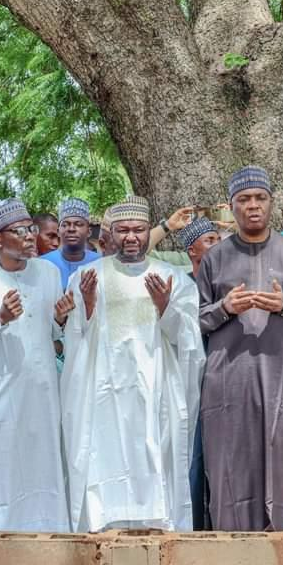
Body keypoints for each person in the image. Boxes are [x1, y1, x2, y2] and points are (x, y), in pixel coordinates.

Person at [61, 195, 204, 532]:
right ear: (109, 235)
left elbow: (187, 340)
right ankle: (103, 521)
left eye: (138, 230)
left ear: (147, 232)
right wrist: (89, 304)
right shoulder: (87, 276)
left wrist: (166, 306)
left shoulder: (173, 278)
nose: (131, 237)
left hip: (155, 387)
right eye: (122, 230)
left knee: (153, 453)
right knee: (104, 453)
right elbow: (75, 338)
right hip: (103, 390)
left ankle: (157, 523)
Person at [197, 166, 283, 531]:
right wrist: (226, 308)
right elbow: (195, 321)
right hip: (229, 381)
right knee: (230, 464)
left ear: (271, 204)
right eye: (244, 200)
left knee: (282, 462)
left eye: (260, 198)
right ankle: (231, 555)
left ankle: (282, 550)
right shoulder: (214, 259)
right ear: (232, 206)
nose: (252, 206)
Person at [0, 199, 71, 531]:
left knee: (45, 470)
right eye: (21, 232)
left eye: (32, 229)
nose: (31, 237)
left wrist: (61, 317)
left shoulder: (48, 273)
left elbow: (54, 334)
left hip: (43, 394)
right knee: (3, 473)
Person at [176, 215, 220, 530]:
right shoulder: (180, 286)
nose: (219, 247)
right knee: (193, 457)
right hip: (188, 382)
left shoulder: (230, 286)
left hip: (225, 380)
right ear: (193, 251)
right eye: (211, 241)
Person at [42, 198, 101, 287]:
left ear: (89, 232)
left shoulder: (100, 263)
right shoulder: (43, 263)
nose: (71, 229)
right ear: (58, 231)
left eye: (79, 224)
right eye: (65, 225)